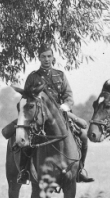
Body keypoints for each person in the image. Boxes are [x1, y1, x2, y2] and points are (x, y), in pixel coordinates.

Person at [17, 44, 94, 185]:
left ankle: (80, 169)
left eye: (49, 56)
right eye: (43, 57)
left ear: (53, 57)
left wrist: (64, 107)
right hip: (39, 116)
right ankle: (25, 171)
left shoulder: (60, 75)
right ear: (39, 58)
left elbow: (69, 96)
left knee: (83, 135)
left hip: (61, 116)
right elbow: (27, 98)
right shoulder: (33, 77)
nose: (46, 59)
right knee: (27, 140)